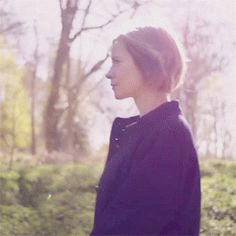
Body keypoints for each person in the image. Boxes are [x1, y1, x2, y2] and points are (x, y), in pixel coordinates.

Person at [90, 26, 201, 235]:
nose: (108, 73)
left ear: (147, 63)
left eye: (117, 61)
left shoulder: (169, 136)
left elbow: (134, 226)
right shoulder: (145, 132)